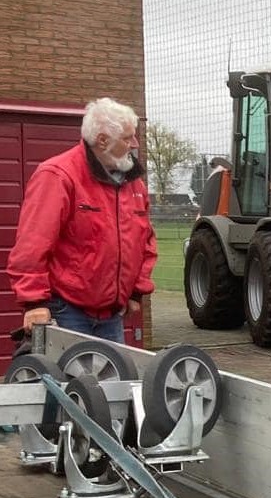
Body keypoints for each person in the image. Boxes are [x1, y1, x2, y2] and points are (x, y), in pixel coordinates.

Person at [8, 97, 158, 342]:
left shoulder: (133, 184)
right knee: (71, 380)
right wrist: (34, 302)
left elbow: (146, 242)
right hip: (67, 312)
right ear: (102, 140)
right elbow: (32, 245)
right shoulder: (58, 176)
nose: (134, 143)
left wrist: (135, 293)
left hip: (112, 316)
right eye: (127, 137)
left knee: (112, 379)